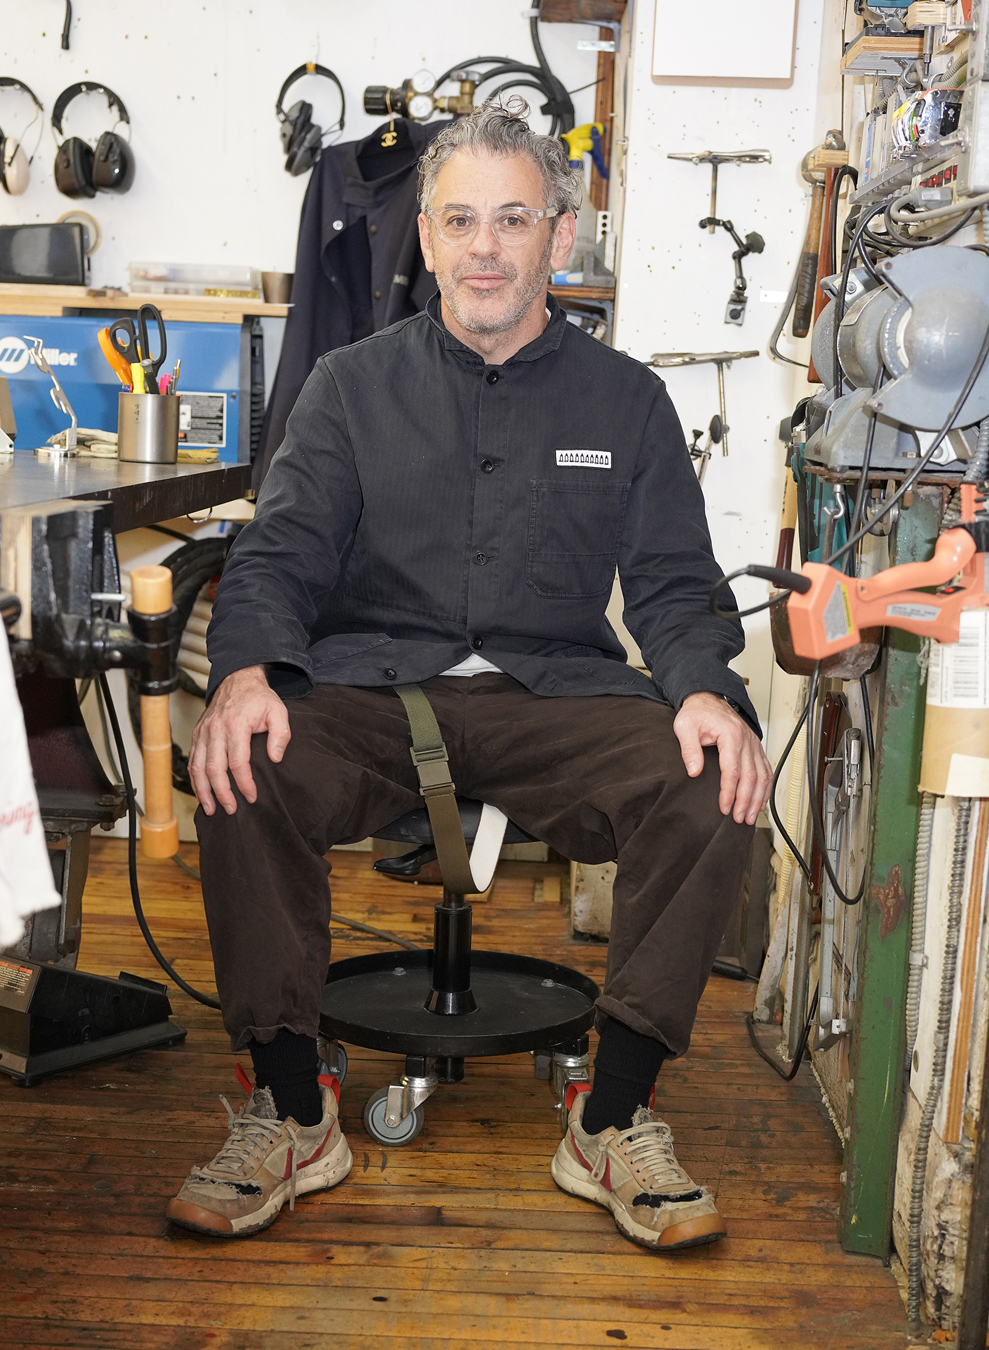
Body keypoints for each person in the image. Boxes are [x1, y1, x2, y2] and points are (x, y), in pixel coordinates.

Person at [166, 100, 772, 1250]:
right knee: (244, 758)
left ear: (558, 233)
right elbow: (279, 554)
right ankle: (293, 1112)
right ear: (428, 240)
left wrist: (701, 689)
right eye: (459, 221)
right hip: (371, 688)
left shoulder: (625, 402)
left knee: (710, 774)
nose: (484, 246)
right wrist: (246, 672)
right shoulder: (348, 387)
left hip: (555, 695)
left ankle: (613, 1115)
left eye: (511, 218)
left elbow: (673, 581)